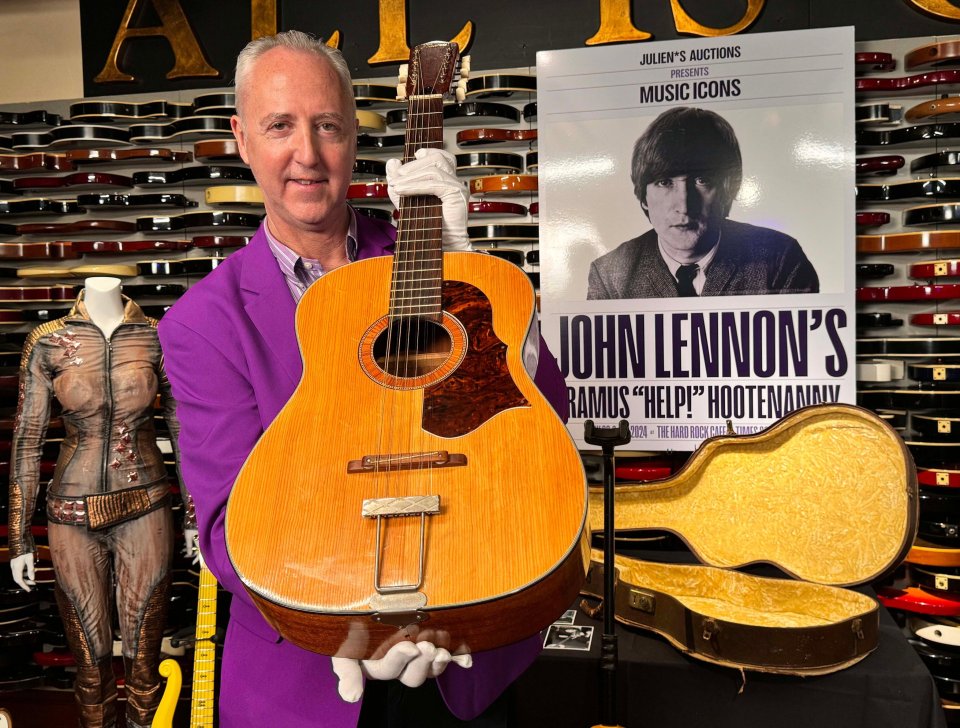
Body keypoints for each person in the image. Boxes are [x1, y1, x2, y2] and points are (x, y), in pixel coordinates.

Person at [156, 30, 570, 727]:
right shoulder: (202, 323)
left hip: (469, 643)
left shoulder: (425, 256)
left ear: (354, 136)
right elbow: (229, 526)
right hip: (309, 673)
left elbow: (544, 420)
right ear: (242, 139)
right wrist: (352, 620)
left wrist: (467, 270)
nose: (307, 155)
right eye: (280, 126)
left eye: (328, 126)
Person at [8, 276, 193, 728]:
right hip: (71, 515)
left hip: (146, 506)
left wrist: (193, 516)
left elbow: (184, 432)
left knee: (144, 660)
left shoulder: (156, 335)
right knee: (89, 664)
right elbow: (27, 441)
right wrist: (19, 539)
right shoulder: (48, 342)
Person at [587, 106, 819, 299]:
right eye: (665, 182)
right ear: (643, 196)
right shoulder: (609, 275)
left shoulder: (781, 259)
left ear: (729, 189)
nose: (684, 205)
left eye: (702, 180)